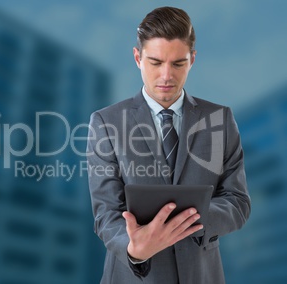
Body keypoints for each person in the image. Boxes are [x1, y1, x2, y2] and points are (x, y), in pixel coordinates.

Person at [86, 6, 251, 284]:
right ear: (138, 58)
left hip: (201, 275)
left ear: (192, 60)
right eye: (155, 62)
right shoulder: (106, 122)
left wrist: (187, 223)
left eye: (178, 63)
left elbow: (238, 202)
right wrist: (134, 247)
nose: (166, 76)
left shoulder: (219, 119)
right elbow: (105, 212)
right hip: (133, 276)